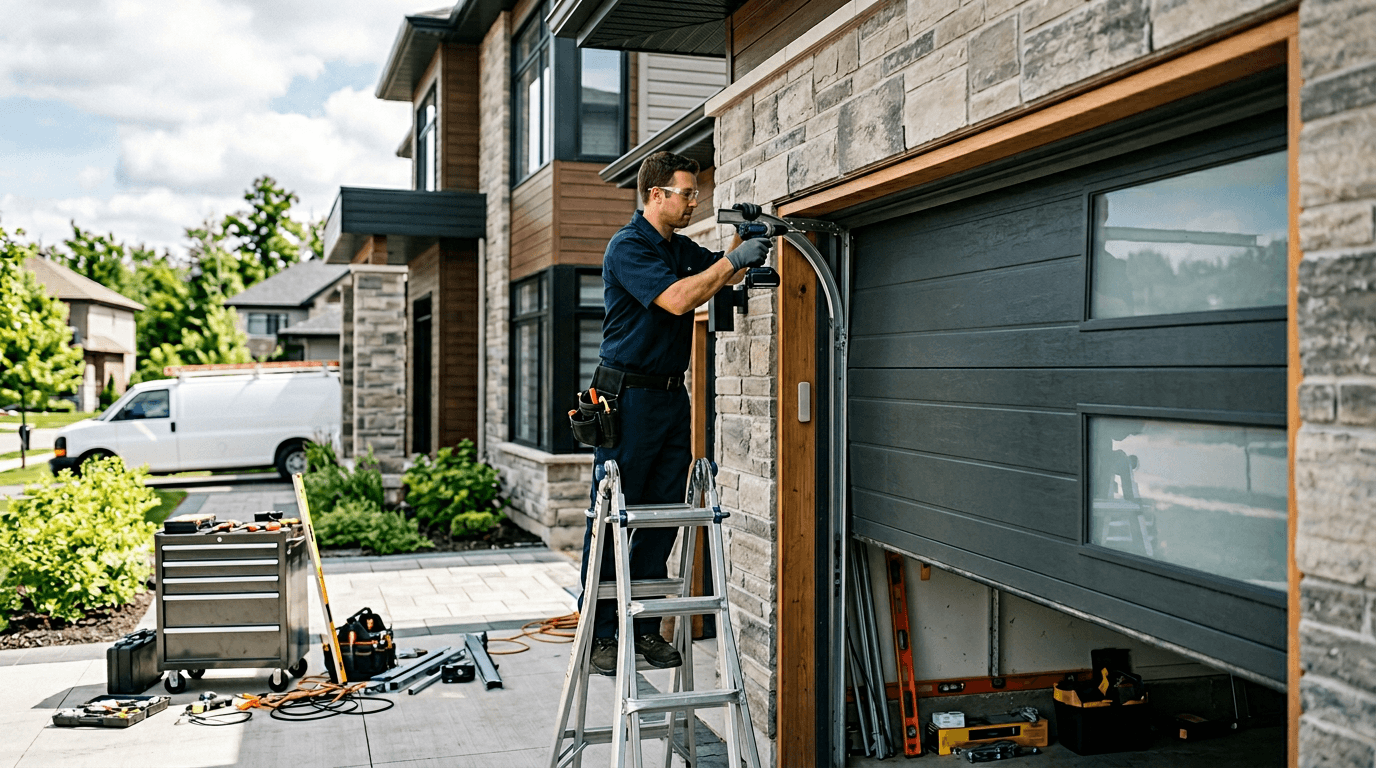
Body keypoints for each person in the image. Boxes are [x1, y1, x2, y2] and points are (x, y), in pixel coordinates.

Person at [580, 150, 770, 676]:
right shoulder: (628, 248)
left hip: (669, 396)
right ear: (655, 195)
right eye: (686, 193)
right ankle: (599, 633)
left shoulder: (678, 248)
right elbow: (680, 300)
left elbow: (715, 275)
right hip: (627, 398)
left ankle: (642, 629)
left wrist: (742, 240)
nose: (693, 201)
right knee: (616, 513)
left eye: (694, 194)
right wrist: (733, 259)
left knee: (661, 513)